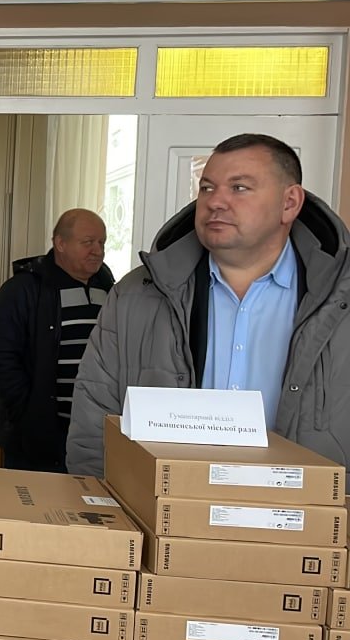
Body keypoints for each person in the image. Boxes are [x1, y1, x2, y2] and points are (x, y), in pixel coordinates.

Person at [67, 134, 350, 476]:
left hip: (310, 508)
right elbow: (94, 423)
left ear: (289, 203)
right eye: (207, 188)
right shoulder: (135, 295)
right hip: (164, 506)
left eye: (239, 188)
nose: (216, 201)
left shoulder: (340, 298)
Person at [0, 209, 114, 472]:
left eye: (102, 242)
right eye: (88, 242)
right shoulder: (24, 289)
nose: (98, 251)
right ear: (60, 244)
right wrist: (28, 411)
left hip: (95, 437)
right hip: (37, 441)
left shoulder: (111, 289)